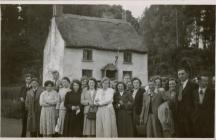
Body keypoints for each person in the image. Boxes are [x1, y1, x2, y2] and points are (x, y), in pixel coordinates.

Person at [175, 66, 197, 137]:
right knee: (180, 135)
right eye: (179, 74)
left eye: (182, 74)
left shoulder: (194, 85)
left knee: (190, 134)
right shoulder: (177, 86)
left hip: (189, 116)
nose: (181, 76)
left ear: (187, 74)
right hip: (179, 116)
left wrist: (193, 115)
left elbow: (196, 101)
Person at [191, 73, 214, 137]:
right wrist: (193, 117)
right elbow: (192, 106)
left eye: (207, 81)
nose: (206, 82)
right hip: (195, 121)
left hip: (208, 122)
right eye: (204, 80)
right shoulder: (194, 93)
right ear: (199, 81)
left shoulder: (212, 93)